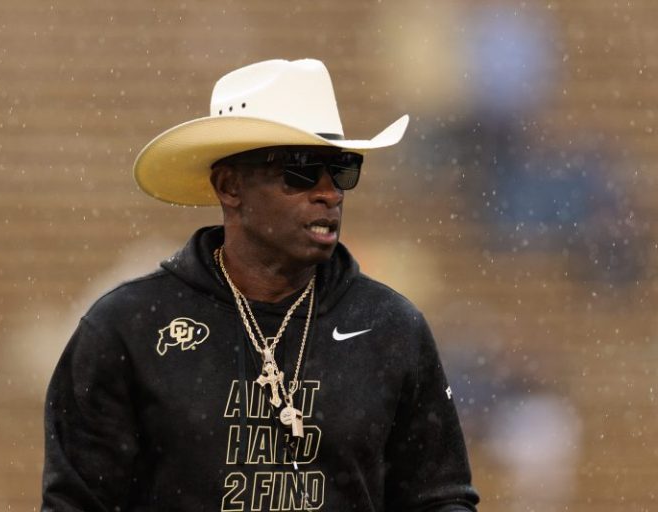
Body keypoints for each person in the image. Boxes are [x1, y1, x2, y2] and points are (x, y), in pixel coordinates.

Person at [41, 58, 480, 512]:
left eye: (342, 169)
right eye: (301, 170)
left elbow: (440, 498)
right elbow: (75, 504)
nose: (330, 192)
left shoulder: (389, 327)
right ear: (230, 186)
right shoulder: (128, 328)